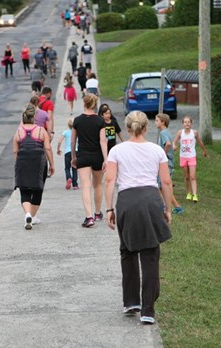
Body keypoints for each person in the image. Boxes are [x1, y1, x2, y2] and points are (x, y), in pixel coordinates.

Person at [104, 110, 173, 325]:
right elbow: (166, 182)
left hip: (127, 201)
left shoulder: (116, 150)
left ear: (127, 128)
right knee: (150, 254)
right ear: (146, 128)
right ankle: (148, 310)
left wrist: (109, 209)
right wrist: (167, 208)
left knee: (127, 249)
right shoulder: (157, 151)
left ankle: (131, 301)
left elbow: (109, 181)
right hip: (151, 199)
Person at [13, 104, 54, 230]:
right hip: (39, 162)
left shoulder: (18, 131)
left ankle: (27, 214)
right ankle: (33, 216)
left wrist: (18, 164)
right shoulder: (41, 130)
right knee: (37, 189)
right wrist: (52, 164)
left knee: (24, 190)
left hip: (22, 161)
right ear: (34, 117)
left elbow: (15, 151)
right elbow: (47, 148)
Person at [71, 94, 108, 228]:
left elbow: (73, 141)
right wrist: (106, 159)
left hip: (83, 156)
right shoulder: (100, 121)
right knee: (97, 184)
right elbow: (103, 141)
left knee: (85, 186)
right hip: (97, 156)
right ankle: (98, 213)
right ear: (94, 104)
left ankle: (89, 217)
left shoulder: (77, 120)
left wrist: (74, 157)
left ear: (84, 103)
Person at [172, 116, 208, 203]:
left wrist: (204, 151)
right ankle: (188, 193)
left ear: (191, 123)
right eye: (185, 122)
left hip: (191, 156)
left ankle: (195, 195)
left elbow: (200, 142)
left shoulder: (194, 133)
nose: (187, 123)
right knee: (187, 177)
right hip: (183, 157)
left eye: (189, 122)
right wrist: (174, 146)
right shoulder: (180, 133)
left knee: (192, 176)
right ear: (182, 124)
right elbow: (174, 142)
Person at [155, 113, 183, 214]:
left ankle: (169, 206)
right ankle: (173, 206)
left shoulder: (163, 133)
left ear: (163, 122)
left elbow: (168, 144)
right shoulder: (165, 132)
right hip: (167, 163)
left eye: (157, 120)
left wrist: (163, 155)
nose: (155, 122)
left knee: (161, 185)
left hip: (166, 163)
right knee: (161, 185)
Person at [57, 118, 79, 190]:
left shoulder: (65, 132)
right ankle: (75, 185)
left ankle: (69, 178)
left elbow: (60, 141)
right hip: (76, 152)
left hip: (67, 152)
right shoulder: (78, 132)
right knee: (75, 168)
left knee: (67, 168)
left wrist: (58, 149)